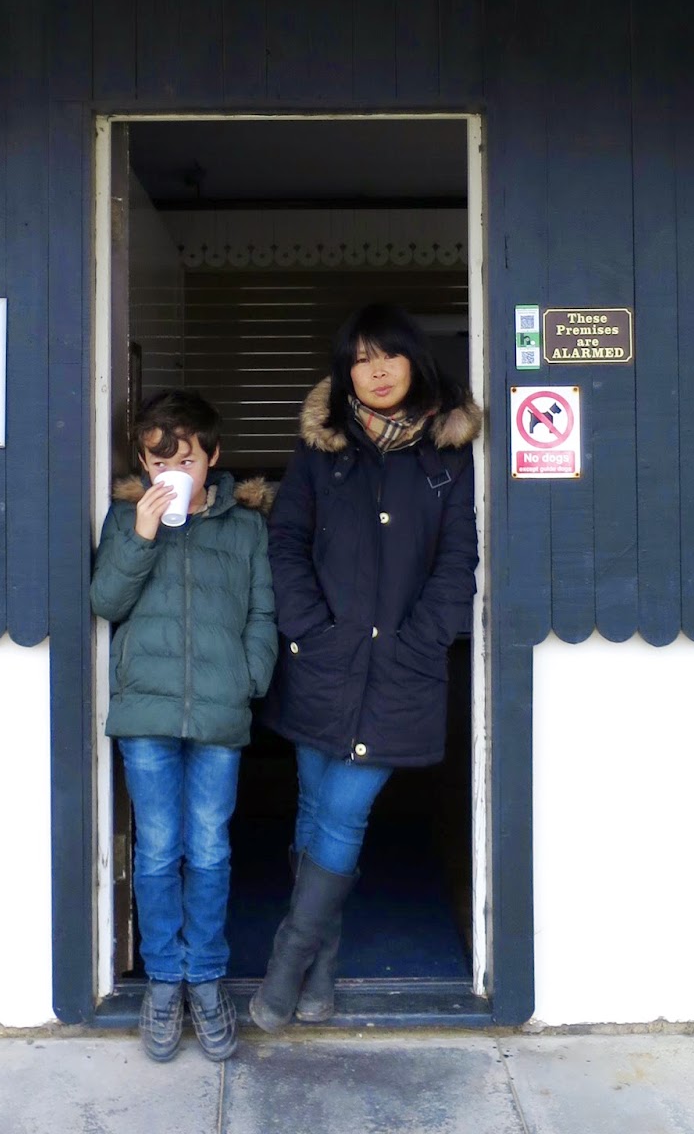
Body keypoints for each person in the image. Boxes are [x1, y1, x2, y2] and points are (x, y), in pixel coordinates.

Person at [250, 303, 481, 1032]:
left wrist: (421, 641)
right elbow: (286, 543)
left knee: (344, 811)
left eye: (388, 355)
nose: (375, 371)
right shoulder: (320, 451)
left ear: (415, 360)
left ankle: (288, 962)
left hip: (402, 667)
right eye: (359, 359)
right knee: (313, 805)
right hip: (322, 659)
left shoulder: (449, 455)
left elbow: (458, 561)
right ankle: (320, 971)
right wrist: (309, 628)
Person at [90, 389, 278, 1062]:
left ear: (213, 456)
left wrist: (249, 679)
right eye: (158, 461)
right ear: (143, 463)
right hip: (146, 712)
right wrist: (143, 534)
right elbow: (105, 600)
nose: (173, 473)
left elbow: (262, 613)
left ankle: (206, 977)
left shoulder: (245, 526)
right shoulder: (125, 519)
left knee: (210, 849)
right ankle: (165, 980)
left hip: (220, 710)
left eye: (187, 460)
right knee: (158, 849)